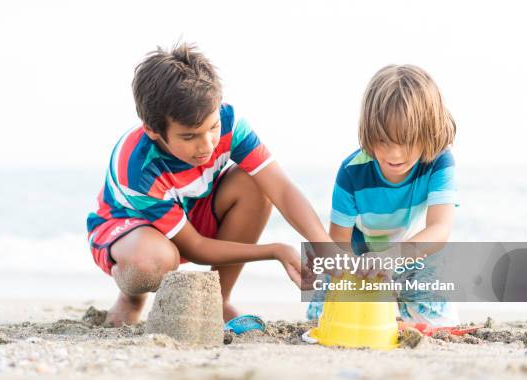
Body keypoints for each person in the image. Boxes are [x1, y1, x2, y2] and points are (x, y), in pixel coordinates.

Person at [86, 43, 330, 327]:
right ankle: (131, 295)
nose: (207, 146)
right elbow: (197, 247)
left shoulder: (230, 122)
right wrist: (275, 250)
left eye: (212, 128)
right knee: (152, 264)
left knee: (253, 182)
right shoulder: (136, 169)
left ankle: (218, 300)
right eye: (189, 137)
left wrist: (326, 248)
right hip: (130, 227)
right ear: (152, 130)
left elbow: (282, 190)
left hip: (190, 208)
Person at [308, 65, 460, 326]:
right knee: (323, 320)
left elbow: (439, 229)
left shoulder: (439, 161)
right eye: (383, 141)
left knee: (440, 324)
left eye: (406, 141)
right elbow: (339, 245)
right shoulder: (351, 172)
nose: (394, 155)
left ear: (427, 131)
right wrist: (364, 277)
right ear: (368, 131)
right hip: (359, 257)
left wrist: (390, 259)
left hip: (411, 252)